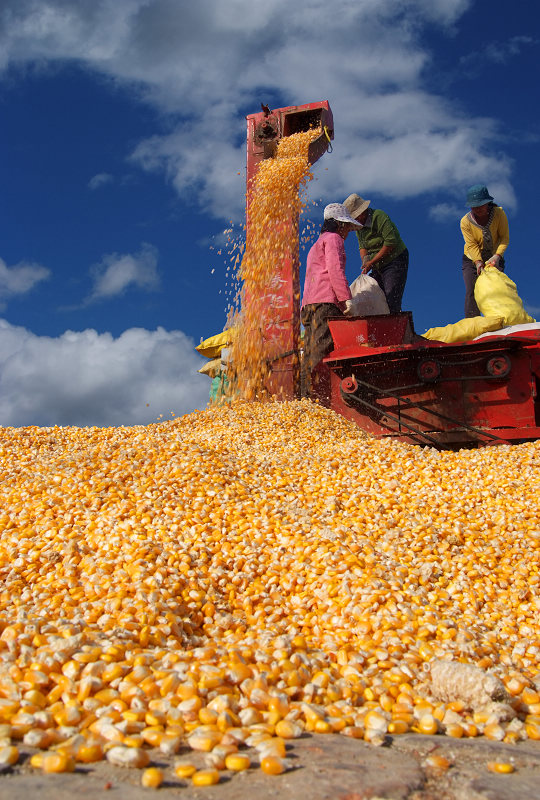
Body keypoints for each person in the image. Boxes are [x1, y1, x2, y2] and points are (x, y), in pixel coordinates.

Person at [301, 202, 362, 403]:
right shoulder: (334, 239)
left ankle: (304, 397)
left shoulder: (317, 244)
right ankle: (315, 400)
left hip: (310, 304)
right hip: (325, 302)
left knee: (310, 352)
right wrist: (346, 300)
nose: (348, 232)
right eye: (347, 227)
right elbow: (335, 271)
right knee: (320, 353)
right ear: (339, 224)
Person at [343, 194, 409, 314]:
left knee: (391, 296)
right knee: (374, 294)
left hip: (394, 259)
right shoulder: (359, 227)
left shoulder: (379, 216)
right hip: (377, 263)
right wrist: (365, 262)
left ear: (362, 212)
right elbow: (362, 246)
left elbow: (390, 242)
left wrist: (372, 262)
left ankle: (393, 325)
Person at [460, 184, 509, 317]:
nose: (477, 209)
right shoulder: (465, 222)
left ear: (488, 203)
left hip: (495, 257)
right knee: (472, 290)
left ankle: (498, 319)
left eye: (480, 205)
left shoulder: (499, 214)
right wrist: (478, 262)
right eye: (474, 206)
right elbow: (471, 245)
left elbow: (504, 238)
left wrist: (497, 256)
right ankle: (473, 323)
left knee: (496, 288)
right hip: (471, 259)